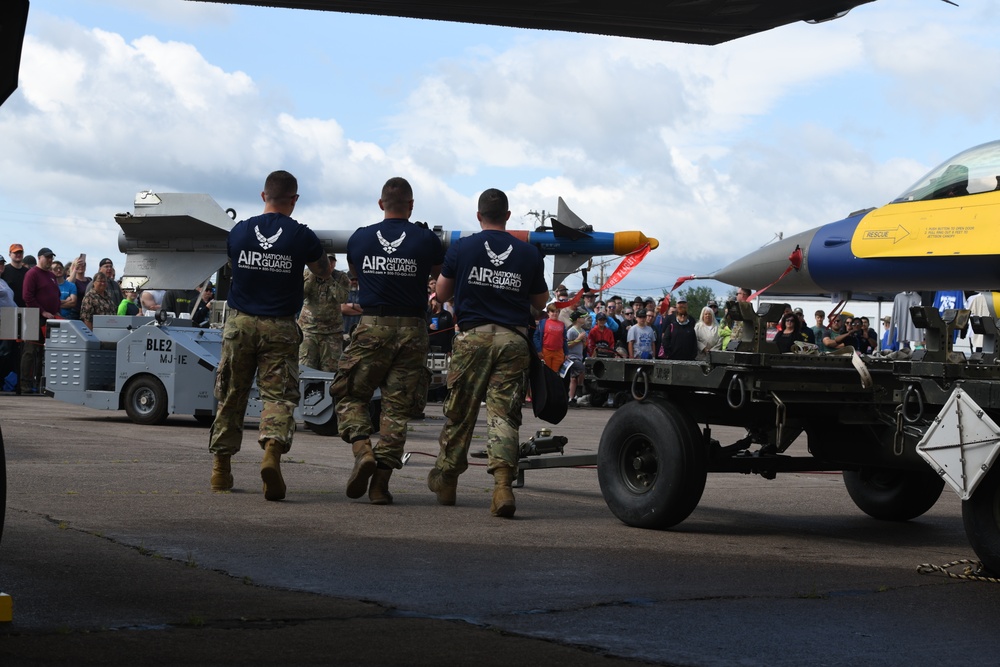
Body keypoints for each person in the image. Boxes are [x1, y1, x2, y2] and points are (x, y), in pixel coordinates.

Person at [427, 188, 548, 517]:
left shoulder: (462, 247)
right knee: (503, 416)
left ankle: (448, 480)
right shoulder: (528, 253)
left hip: (473, 338)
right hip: (512, 340)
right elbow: (540, 302)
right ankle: (503, 487)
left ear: (478, 216)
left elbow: (441, 290)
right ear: (508, 217)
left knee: (460, 413)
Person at [208, 170, 329, 502]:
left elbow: (233, 261)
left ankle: (221, 471)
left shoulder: (240, 231)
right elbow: (322, 271)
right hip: (280, 326)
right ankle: (271, 453)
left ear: (264, 196)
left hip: (240, 324)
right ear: (294, 200)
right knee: (278, 397)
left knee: (232, 394)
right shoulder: (301, 236)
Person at [334, 176, 444, 504]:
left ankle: (362, 448)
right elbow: (438, 275)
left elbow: (356, 274)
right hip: (412, 329)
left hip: (372, 325)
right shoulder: (426, 240)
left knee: (348, 393)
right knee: (396, 409)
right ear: (411, 206)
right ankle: (380, 485)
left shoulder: (360, 239)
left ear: (381, 204)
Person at [298, 254, 351, 372]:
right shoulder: (307, 274)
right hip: (308, 330)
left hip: (332, 332)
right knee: (305, 368)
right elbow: (300, 295)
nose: (329, 264)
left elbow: (342, 298)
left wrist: (328, 278)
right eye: (326, 261)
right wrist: (314, 274)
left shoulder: (341, 276)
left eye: (332, 261)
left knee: (331, 371)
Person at [21, 247, 61, 393]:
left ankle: (40, 383)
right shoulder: (32, 274)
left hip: (51, 318)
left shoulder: (51, 275)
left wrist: (56, 310)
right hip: (35, 317)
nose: (49, 260)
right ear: (39, 258)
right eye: (47, 257)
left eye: (51, 257)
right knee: (30, 351)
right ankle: (25, 384)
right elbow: (27, 296)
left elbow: (55, 295)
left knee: (45, 352)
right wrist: (43, 311)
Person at [534, 303, 568, 372]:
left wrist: (566, 353)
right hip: (546, 351)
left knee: (556, 373)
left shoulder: (562, 324)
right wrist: (539, 350)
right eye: (553, 311)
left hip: (559, 352)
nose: (555, 313)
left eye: (557, 311)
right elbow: (536, 336)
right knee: (546, 372)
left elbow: (564, 339)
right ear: (548, 313)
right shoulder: (542, 323)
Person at [565, 310, 588, 404]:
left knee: (573, 378)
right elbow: (567, 345)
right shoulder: (571, 331)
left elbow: (583, 346)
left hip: (579, 356)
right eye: (583, 317)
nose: (584, 319)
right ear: (578, 319)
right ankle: (579, 389)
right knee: (582, 369)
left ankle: (571, 398)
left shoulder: (582, 331)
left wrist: (583, 341)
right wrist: (578, 339)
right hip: (571, 357)